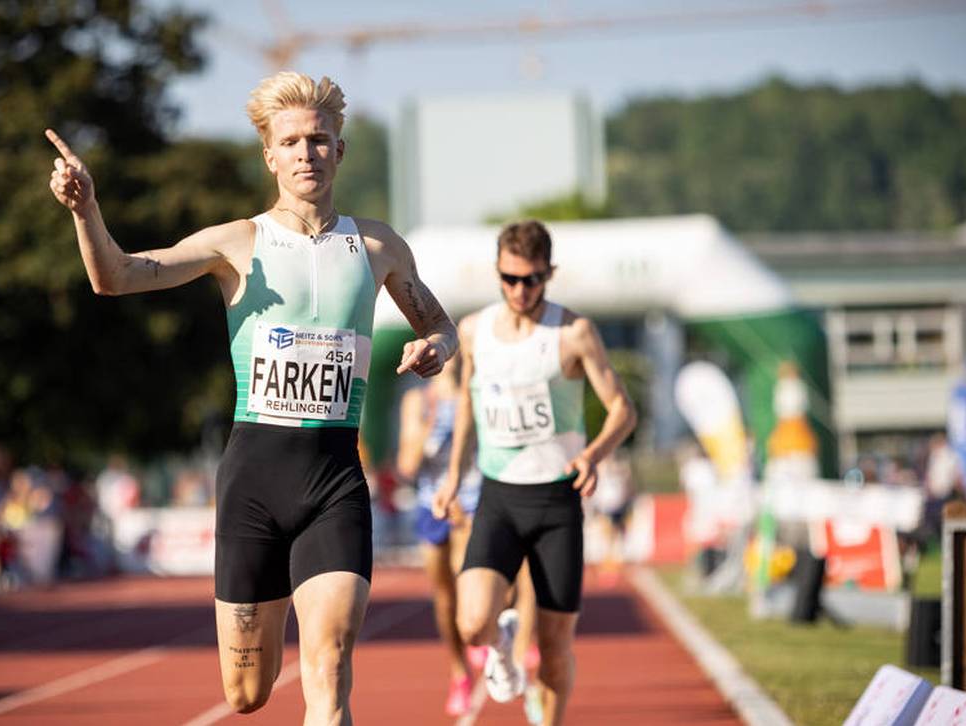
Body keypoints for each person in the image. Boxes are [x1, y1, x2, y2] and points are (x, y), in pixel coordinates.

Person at [46, 70, 458, 723]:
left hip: (335, 481)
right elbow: (116, 277)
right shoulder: (236, 243)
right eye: (290, 142)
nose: (305, 153)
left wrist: (438, 347)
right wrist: (85, 210)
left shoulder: (377, 245)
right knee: (247, 693)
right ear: (269, 155)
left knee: (329, 669)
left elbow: (438, 324)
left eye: (319, 140)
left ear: (340, 150)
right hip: (254, 486)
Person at [434, 220, 636, 725]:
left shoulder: (573, 333)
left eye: (532, 280)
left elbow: (622, 410)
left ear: (550, 274)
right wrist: (453, 476)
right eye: (509, 278)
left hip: (556, 504)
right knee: (472, 620)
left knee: (554, 646)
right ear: (497, 273)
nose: (520, 290)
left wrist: (592, 454)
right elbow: (466, 408)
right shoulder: (475, 330)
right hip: (500, 499)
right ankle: (501, 644)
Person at [395, 355, 483, 716]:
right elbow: (406, 466)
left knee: (470, 582)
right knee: (443, 596)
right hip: (430, 505)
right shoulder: (418, 402)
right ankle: (459, 669)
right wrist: (428, 427)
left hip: (472, 499)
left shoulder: (475, 396)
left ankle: (480, 629)